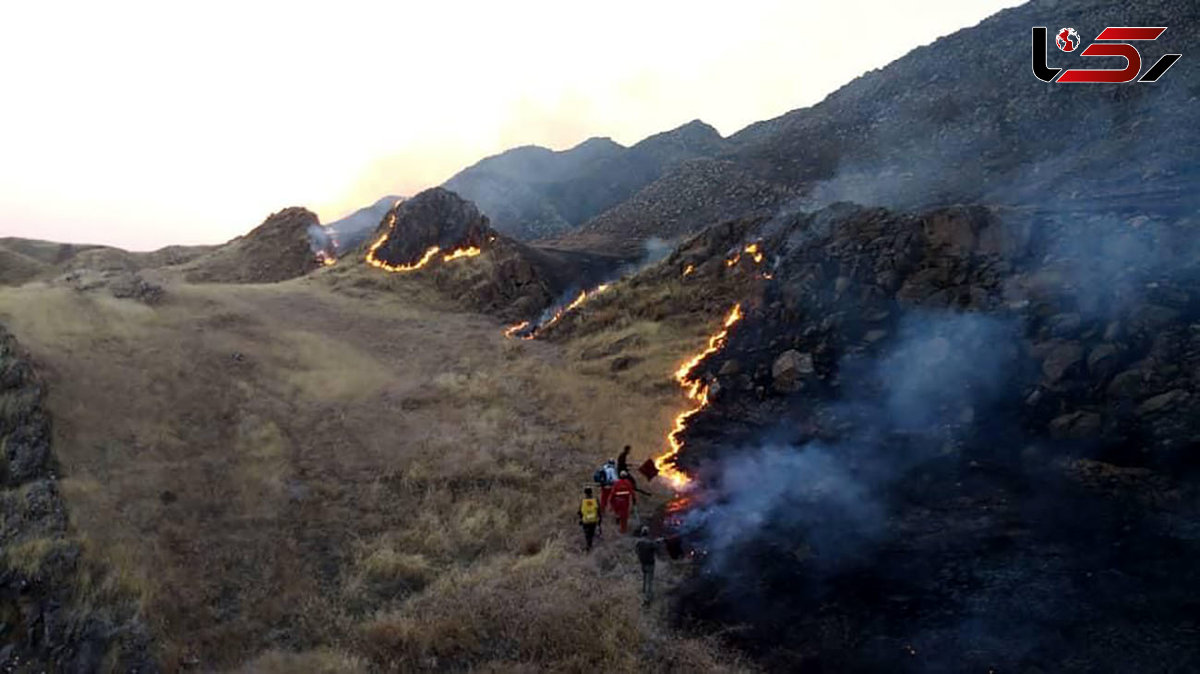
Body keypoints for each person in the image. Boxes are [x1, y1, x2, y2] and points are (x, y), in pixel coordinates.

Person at [635, 526, 662, 605]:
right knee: (649, 582)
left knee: (644, 579)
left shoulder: (639, 542)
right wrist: (657, 542)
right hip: (650, 564)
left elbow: (637, 551)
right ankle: (647, 599)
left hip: (643, 563)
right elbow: (658, 549)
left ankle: (644, 593)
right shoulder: (650, 543)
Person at [594, 459, 618, 526]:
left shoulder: (604, 467)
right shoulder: (612, 470)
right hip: (609, 487)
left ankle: (602, 511)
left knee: (603, 499)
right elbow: (615, 479)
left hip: (603, 486)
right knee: (612, 499)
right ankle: (612, 512)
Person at [578, 487, 600, 552]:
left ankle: (588, 546)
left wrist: (580, 518)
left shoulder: (583, 501)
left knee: (587, 535)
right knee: (592, 533)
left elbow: (580, 511)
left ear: (585, 493)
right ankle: (590, 545)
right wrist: (599, 519)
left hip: (586, 521)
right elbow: (599, 510)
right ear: (591, 493)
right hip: (593, 520)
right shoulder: (595, 500)